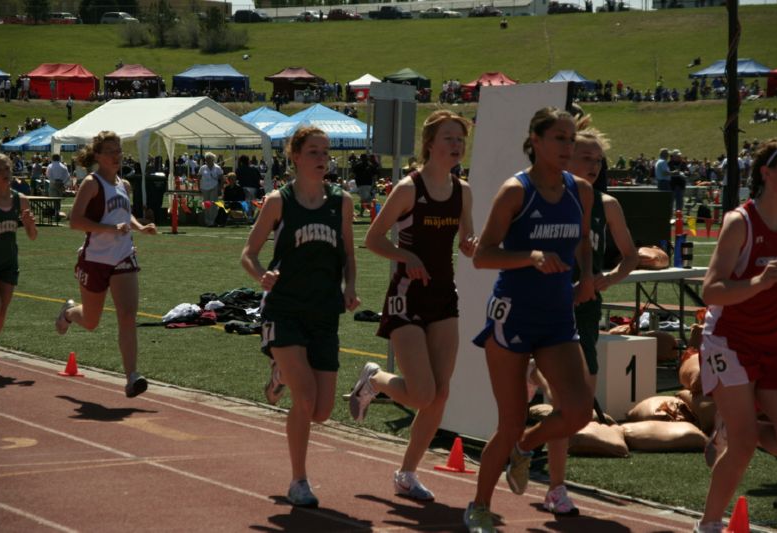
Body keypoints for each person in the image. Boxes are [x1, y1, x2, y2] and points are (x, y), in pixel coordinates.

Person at [464, 107, 595, 532]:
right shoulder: (515, 192)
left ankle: (525, 447)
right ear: (535, 141)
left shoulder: (581, 191)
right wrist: (531, 257)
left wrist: (588, 277)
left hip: (558, 318)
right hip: (513, 315)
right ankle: (480, 506)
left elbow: (583, 243)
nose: (567, 147)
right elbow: (483, 256)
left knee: (579, 413)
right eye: (559, 138)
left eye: (571, 140)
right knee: (510, 419)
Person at [348, 110, 477, 501]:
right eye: (450, 139)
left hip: (443, 296)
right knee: (422, 394)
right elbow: (373, 239)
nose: (456, 146)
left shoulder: (463, 191)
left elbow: (467, 240)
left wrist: (471, 245)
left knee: (440, 395)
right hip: (407, 295)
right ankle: (373, 380)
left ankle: (406, 474)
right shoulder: (408, 188)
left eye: (461, 140)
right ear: (430, 144)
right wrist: (408, 257)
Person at [240, 126, 359, 507]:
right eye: (313, 152)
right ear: (295, 156)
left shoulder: (342, 201)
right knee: (305, 398)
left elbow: (349, 255)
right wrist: (262, 275)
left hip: (325, 312)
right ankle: (299, 481)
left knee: (322, 412)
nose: (322, 159)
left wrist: (350, 287)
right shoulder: (280, 201)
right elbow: (248, 252)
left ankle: (280, 375)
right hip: (286, 309)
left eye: (325, 152)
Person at [531, 122, 638, 516]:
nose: (593, 166)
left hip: (586, 309)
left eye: (598, 160)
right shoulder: (542, 198)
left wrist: (604, 280)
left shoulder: (607, 204)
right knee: (564, 401)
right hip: (545, 306)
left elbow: (631, 255)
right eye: (585, 158)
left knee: (576, 411)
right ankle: (556, 488)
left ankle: (534, 382)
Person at [695, 139, 777, 533]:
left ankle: (730, 427)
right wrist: (759, 282)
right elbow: (711, 291)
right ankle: (709, 525)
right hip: (730, 340)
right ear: (767, 172)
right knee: (745, 446)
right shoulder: (740, 222)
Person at [54, 131, 157, 398]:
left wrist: (139, 227)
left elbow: (124, 215)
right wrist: (110, 229)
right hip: (95, 260)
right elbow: (75, 221)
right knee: (90, 321)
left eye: (119, 150)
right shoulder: (92, 182)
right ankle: (68, 312)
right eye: (110, 151)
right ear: (97, 155)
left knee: (127, 315)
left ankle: (132, 376)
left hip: (123, 257)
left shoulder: (123, 184)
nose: (116, 156)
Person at [0, 153, 37, 376]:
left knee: (0, 313)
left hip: (9, 262)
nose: (5, 172)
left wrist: (28, 224)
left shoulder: (20, 200)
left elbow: (32, 236)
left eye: (6, 168)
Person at [198, 152, 224, 227]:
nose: (207, 160)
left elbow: (222, 179)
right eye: (206, 159)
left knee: (213, 205)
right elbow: (198, 178)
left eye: (209, 158)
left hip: (214, 187)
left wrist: (220, 189)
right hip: (204, 188)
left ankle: (213, 221)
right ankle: (207, 221)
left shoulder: (217, 168)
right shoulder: (202, 168)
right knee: (206, 205)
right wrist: (199, 188)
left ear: (213, 159)